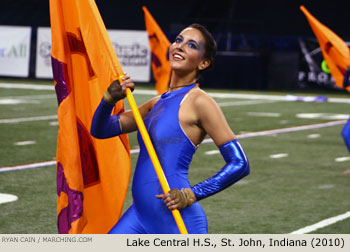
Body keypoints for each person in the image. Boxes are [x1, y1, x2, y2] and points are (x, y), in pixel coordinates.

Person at [90, 23, 250, 234]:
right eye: (178, 40)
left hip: (177, 222)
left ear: (203, 63)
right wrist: (108, 100)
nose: (180, 46)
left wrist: (191, 194)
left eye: (191, 45)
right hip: (139, 216)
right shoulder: (156, 103)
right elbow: (100, 130)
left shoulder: (200, 102)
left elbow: (240, 164)